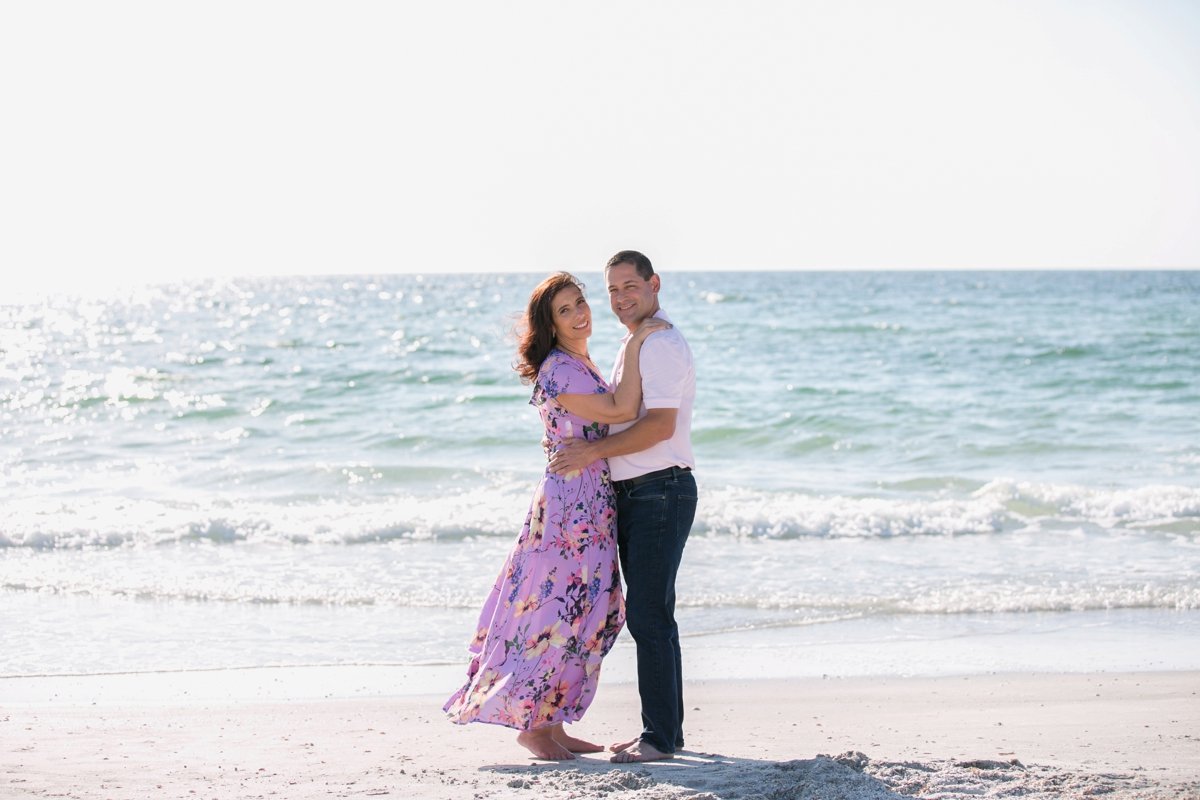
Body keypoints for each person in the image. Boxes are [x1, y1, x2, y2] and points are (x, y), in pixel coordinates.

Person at [443, 271, 669, 761]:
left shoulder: (578, 360)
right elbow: (622, 406)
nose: (579, 314)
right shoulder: (559, 368)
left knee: (584, 610)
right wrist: (636, 342)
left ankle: (554, 722)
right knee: (557, 609)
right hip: (570, 504)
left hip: (592, 498)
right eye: (564, 310)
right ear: (549, 323)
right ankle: (533, 728)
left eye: (580, 302)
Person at [548, 251, 697, 764]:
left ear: (654, 283)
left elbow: (658, 425)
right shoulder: (637, 342)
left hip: (659, 489)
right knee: (654, 616)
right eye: (611, 290)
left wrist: (591, 452)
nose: (620, 298)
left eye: (630, 285)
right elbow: (623, 410)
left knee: (650, 617)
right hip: (640, 493)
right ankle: (667, 733)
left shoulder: (659, 343)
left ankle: (658, 738)